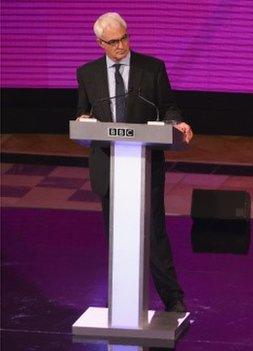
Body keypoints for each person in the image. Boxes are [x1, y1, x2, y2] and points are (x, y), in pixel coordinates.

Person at [75, 12, 193, 313]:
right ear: (100, 43)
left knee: (154, 234)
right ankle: (121, 301)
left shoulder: (152, 69)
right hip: (107, 165)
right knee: (116, 236)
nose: (121, 46)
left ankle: (173, 299)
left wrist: (176, 123)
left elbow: (168, 107)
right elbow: (83, 114)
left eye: (125, 38)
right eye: (113, 42)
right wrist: (84, 119)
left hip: (144, 165)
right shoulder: (87, 74)